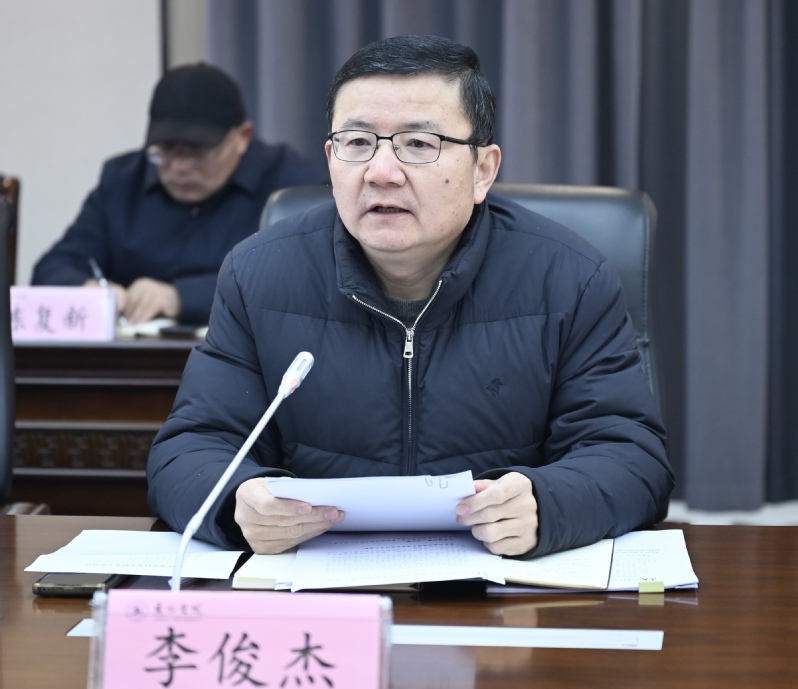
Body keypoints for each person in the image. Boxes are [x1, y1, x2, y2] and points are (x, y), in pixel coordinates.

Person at [147, 35, 673, 559]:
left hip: (499, 587)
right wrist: (236, 502)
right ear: (331, 160)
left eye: (419, 144)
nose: (381, 172)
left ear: (483, 170)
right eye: (357, 143)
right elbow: (191, 448)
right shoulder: (258, 275)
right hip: (321, 587)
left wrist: (547, 503)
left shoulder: (569, 278)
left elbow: (632, 457)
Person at [31, 63, 328, 325]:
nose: (180, 167)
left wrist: (181, 297)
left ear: (241, 138)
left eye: (199, 152)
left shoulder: (292, 186)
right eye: (167, 150)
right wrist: (89, 291)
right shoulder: (122, 182)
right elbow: (52, 268)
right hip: (135, 363)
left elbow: (307, 279)